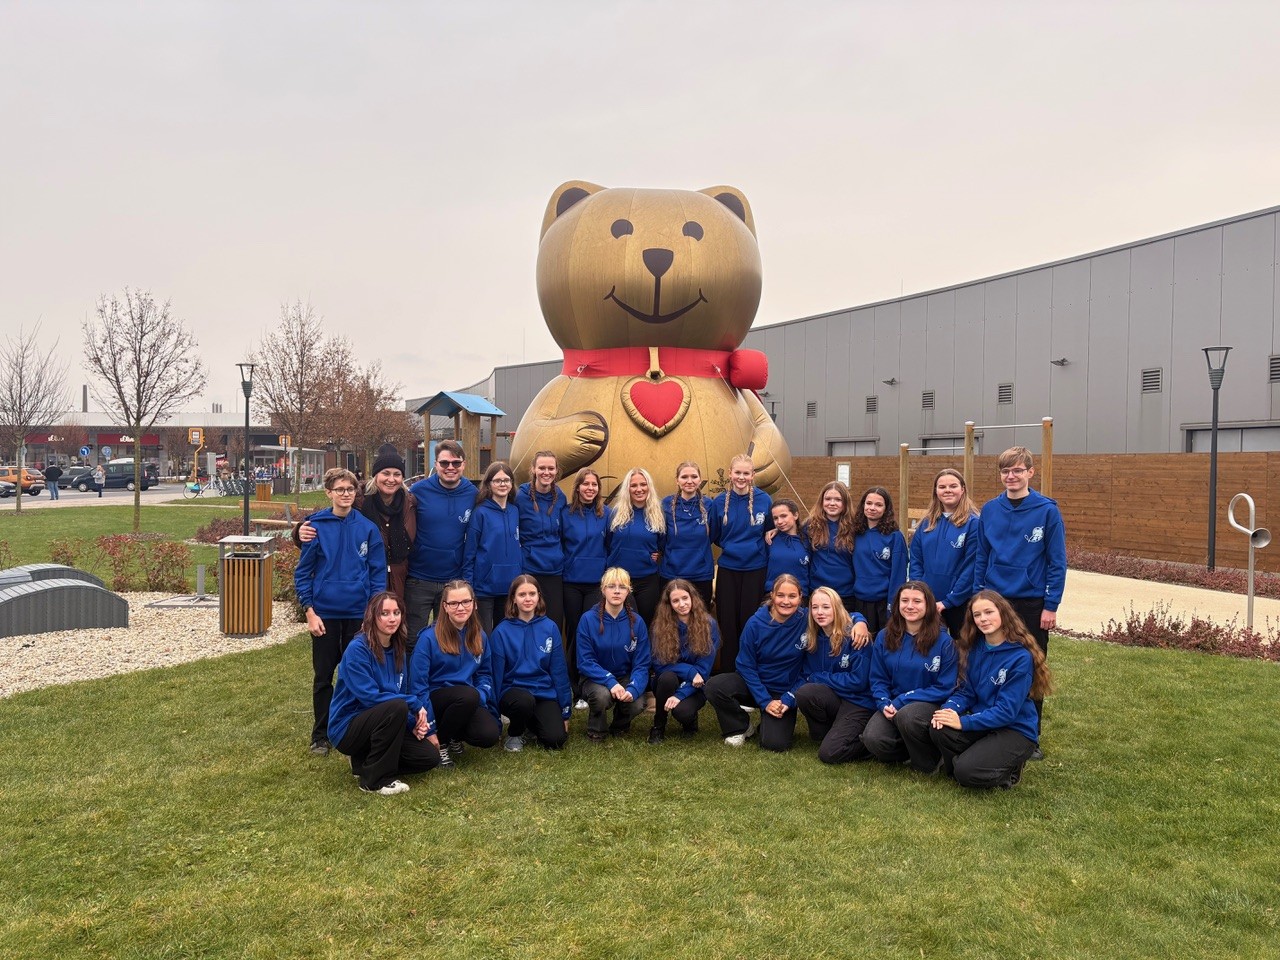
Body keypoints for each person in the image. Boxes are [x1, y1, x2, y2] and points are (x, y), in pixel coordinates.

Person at [972, 445, 1066, 755]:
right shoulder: (990, 510)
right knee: (992, 662)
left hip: (1031, 602)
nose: (1011, 476)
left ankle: (1030, 734)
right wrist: (978, 596)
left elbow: (1057, 562)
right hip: (995, 600)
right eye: (1005, 471)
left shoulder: (1047, 511)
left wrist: (1051, 605)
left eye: (1017, 470)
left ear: (1030, 472)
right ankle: (991, 723)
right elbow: (982, 556)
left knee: (1031, 666)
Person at [294, 467, 388, 756]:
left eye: (350, 489)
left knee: (356, 674)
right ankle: (320, 735)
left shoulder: (367, 528)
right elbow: (303, 573)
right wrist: (310, 612)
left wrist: (372, 613)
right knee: (324, 676)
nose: (346, 494)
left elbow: (377, 576)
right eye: (340, 490)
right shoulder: (315, 526)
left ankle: (352, 727)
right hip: (325, 616)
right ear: (329, 493)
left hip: (358, 616)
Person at [930, 590, 1052, 789]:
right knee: (939, 727)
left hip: (1014, 729)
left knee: (966, 772)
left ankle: (1010, 768)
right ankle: (971, 760)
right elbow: (967, 692)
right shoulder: (974, 648)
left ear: (1003, 613)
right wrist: (948, 709)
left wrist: (963, 722)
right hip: (985, 722)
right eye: (977, 615)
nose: (983, 619)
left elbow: (1006, 712)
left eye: (988, 612)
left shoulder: (1020, 657)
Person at [327, 592, 442, 795]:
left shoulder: (398, 649)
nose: (392, 619)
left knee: (428, 757)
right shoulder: (357, 649)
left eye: (396, 612)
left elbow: (399, 693)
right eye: (385, 613)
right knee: (396, 706)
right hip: (347, 727)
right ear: (372, 616)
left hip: (384, 720)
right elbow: (370, 697)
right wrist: (414, 704)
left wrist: (414, 725)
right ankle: (374, 780)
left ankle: (365, 762)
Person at [293, 444, 417, 608]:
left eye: (397, 474)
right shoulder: (358, 499)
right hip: (364, 581)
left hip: (401, 577)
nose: (391, 479)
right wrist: (299, 531)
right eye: (386, 473)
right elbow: (331, 517)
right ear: (375, 475)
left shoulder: (410, 503)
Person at [862, 580, 957, 774]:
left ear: (928, 605)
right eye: (904, 600)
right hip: (893, 703)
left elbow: (945, 687)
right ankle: (909, 750)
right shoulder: (884, 636)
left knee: (908, 716)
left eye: (917, 601)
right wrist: (883, 702)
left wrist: (903, 700)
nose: (910, 606)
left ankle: (928, 763)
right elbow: (878, 678)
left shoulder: (944, 642)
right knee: (873, 739)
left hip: (929, 704)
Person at [704, 574, 805, 752]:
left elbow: (838, 615)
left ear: (800, 597)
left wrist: (858, 621)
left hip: (783, 691)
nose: (786, 601)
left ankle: (769, 725)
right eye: (780, 595)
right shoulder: (755, 623)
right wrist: (765, 700)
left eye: (792, 596)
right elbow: (745, 665)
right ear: (772, 595)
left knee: (775, 744)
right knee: (715, 686)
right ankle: (740, 726)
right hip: (755, 685)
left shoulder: (807, 620)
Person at [409, 580, 501, 767]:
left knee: (488, 735)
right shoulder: (428, 638)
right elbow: (418, 686)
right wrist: (430, 728)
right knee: (466, 696)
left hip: (468, 699)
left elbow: (485, 674)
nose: (460, 608)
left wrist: (481, 696)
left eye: (466, 601)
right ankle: (442, 742)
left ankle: (453, 736)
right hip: (436, 701)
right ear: (444, 606)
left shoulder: (480, 635)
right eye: (453, 603)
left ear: (474, 604)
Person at [488, 575, 571, 751]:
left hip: (542, 692)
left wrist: (565, 712)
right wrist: (494, 718)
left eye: (532, 594)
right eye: (522, 594)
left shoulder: (550, 627)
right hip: (513, 693)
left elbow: (559, 671)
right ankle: (515, 733)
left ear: (539, 596)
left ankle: (531, 723)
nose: (528, 599)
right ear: (513, 598)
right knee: (524, 702)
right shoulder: (501, 631)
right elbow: (495, 676)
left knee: (556, 740)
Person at [794, 587, 875, 764]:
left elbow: (859, 681)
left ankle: (871, 744)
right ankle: (828, 733)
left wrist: (820, 677)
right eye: (815, 607)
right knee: (805, 693)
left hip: (858, 702)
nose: (820, 612)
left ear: (836, 608)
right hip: (835, 698)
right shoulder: (813, 637)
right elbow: (807, 675)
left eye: (826, 607)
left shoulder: (856, 636)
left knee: (829, 753)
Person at [406, 440, 476, 642]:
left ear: (463, 464)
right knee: (412, 639)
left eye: (456, 463)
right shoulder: (417, 491)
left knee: (448, 639)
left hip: (453, 582)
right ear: (435, 464)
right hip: (419, 579)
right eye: (444, 463)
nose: (450, 467)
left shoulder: (473, 494)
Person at [710, 454, 773, 673]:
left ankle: (750, 672)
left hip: (756, 569)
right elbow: (715, 535)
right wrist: (732, 548)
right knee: (727, 624)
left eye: (746, 473)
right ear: (730, 473)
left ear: (753, 475)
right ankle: (729, 674)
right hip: (728, 569)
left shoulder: (765, 500)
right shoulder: (719, 502)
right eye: (737, 472)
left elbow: (770, 532)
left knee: (750, 623)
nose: (741, 477)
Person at [575, 567, 651, 742]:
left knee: (638, 703)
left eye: (622, 587)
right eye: (611, 586)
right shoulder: (588, 619)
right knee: (601, 696)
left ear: (628, 591)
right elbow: (585, 661)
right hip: (594, 677)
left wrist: (633, 688)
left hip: (625, 676)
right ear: (603, 590)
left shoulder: (637, 622)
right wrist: (610, 681)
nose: (617, 591)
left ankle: (620, 725)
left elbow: (642, 664)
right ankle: (597, 729)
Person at [908, 468, 980, 638]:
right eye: (942, 487)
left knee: (963, 648)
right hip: (928, 602)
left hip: (960, 602)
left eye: (953, 486)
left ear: (962, 489)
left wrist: (950, 600)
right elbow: (916, 561)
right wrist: (920, 594)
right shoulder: (925, 524)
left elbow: (972, 567)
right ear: (936, 491)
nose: (947, 490)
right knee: (927, 647)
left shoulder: (974, 523)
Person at [648, 579, 720, 744]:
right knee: (667, 678)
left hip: (697, 684)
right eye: (675, 600)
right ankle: (658, 726)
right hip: (667, 681)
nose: (682, 604)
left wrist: (680, 695)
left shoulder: (709, 625)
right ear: (669, 604)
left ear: (692, 597)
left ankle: (690, 722)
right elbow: (659, 664)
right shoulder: (659, 626)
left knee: (682, 712)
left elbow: (704, 669)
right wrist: (690, 671)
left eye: (685, 598)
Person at [561, 467, 610, 706]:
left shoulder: (606, 514)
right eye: (585, 484)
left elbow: (612, 545)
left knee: (590, 634)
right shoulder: (566, 513)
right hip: (571, 582)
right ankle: (575, 689)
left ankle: (588, 684)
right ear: (578, 487)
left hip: (595, 584)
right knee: (573, 633)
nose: (590, 488)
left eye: (594, 484)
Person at [462, 461, 522, 632]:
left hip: (510, 588)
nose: (502, 484)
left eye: (506, 480)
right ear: (488, 484)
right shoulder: (480, 512)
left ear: (511, 483)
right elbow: (469, 553)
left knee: (505, 636)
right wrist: (469, 587)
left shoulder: (515, 511)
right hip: (485, 589)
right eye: (497, 480)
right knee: (484, 636)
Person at [606, 467, 665, 625]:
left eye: (643, 484)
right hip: (619, 581)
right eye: (633, 485)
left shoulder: (658, 515)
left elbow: (663, 544)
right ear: (628, 489)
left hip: (647, 580)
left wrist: (657, 555)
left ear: (649, 486)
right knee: (622, 625)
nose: (639, 489)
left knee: (646, 624)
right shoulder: (615, 514)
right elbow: (607, 544)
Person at [516, 451, 567, 632]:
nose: (546, 472)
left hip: (554, 570)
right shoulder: (520, 497)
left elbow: (563, 532)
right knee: (528, 621)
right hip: (529, 569)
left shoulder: (560, 498)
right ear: (533, 470)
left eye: (551, 468)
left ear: (556, 471)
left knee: (554, 622)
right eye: (542, 468)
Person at [850, 486, 908, 635]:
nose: (872, 508)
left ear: (886, 509)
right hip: (859, 601)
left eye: (878, 504)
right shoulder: (855, 534)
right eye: (869, 503)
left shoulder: (895, 536)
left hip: (883, 603)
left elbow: (898, 574)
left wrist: (893, 604)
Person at [658, 462, 715, 608]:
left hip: (701, 573)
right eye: (684, 477)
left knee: (701, 617)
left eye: (694, 477)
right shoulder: (666, 504)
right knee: (671, 617)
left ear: (700, 480)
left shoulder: (709, 505)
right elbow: (661, 537)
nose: (689, 481)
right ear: (677, 480)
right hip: (672, 573)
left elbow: (714, 535)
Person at [804, 481, 857, 610]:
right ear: (821, 501)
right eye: (828, 499)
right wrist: (775, 530)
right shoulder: (810, 525)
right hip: (818, 590)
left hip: (846, 593)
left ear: (845, 503)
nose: (832, 503)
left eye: (838, 499)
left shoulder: (855, 527)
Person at [765, 498, 810, 596]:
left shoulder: (808, 540)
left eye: (783, 516)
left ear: (795, 515)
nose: (779, 521)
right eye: (775, 518)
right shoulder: (769, 539)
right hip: (773, 595)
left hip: (800, 596)